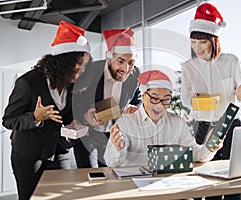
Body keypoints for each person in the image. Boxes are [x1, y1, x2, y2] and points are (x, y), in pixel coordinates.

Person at [2, 21, 91, 200]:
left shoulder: (73, 85)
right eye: (78, 63)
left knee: (64, 196)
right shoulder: (28, 83)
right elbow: (8, 120)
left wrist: (75, 124)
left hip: (58, 152)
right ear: (64, 60)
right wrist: (35, 117)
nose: (82, 70)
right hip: (28, 155)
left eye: (85, 65)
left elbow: (67, 118)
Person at [181, 3, 241, 200]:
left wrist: (238, 95)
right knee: (205, 179)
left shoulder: (232, 61)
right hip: (204, 128)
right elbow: (185, 99)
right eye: (193, 42)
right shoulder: (188, 67)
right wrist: (202, 103)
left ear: (213, 40)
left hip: (231, 127)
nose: (197, 48)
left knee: (235, 182)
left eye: (202, 42)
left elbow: (240, 99)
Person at [104, 70, 222, 167]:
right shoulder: (126, 122)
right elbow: (111, 162)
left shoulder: (178, 123)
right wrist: (118, 148)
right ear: (144, 96)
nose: (159, 105)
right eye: (154, 98)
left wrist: (210, 148)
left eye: (166, 100)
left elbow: (195, 154)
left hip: (167, 184)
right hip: (134, 186)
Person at [72, 28, 142, 168]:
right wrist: (84, 115)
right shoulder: (90, 70)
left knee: (110, 177)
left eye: (131, 63)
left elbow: (137, 99)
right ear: (108, 57)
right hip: (87, 135)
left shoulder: (135, 75)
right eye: (120, 61)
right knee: (89, 178)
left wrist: (135, 108)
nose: (126, 68)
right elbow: (73, 100)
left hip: (112, 136)